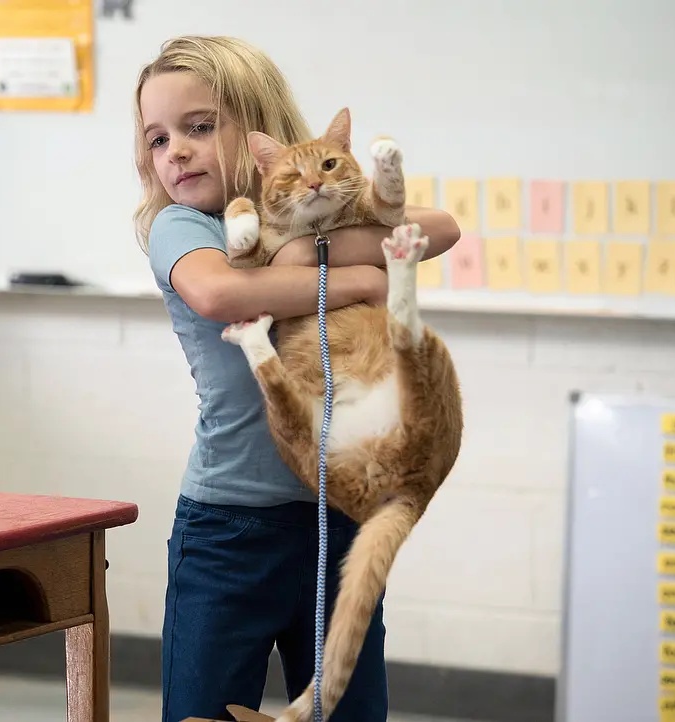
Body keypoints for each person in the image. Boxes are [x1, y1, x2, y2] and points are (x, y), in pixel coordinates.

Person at [132, 35, 461, 722]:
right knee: (205, 713)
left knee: (348, 710)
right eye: (157, 140)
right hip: (229, 529)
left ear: (256, 129)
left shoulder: (306, 206)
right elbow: (221, 295)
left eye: (198, 127)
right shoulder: (181, 227)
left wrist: (316, 245)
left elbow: (440, 227)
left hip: (331, 519)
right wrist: (362, 277)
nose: (177, 153)